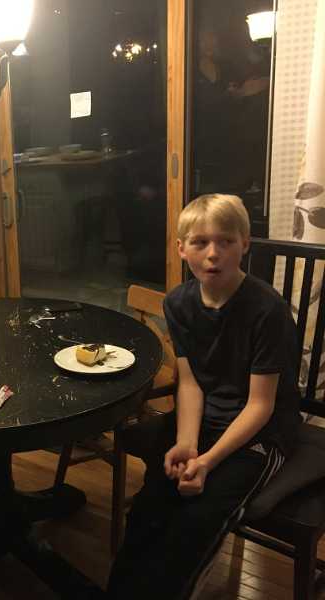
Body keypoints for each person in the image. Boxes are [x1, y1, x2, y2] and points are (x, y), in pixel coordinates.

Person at [105, 194, 301, 598]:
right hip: (204, 421)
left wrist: (207, 462)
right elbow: (191, 383)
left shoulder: (268, 309)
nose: (213, 254)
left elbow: (261, 405)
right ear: (181, 248)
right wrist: (187, 444)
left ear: (245, 243)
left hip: (260, 434)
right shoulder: (178, 303)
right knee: (148, 511)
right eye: (200, 242)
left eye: (226, 241)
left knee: (196, 524)